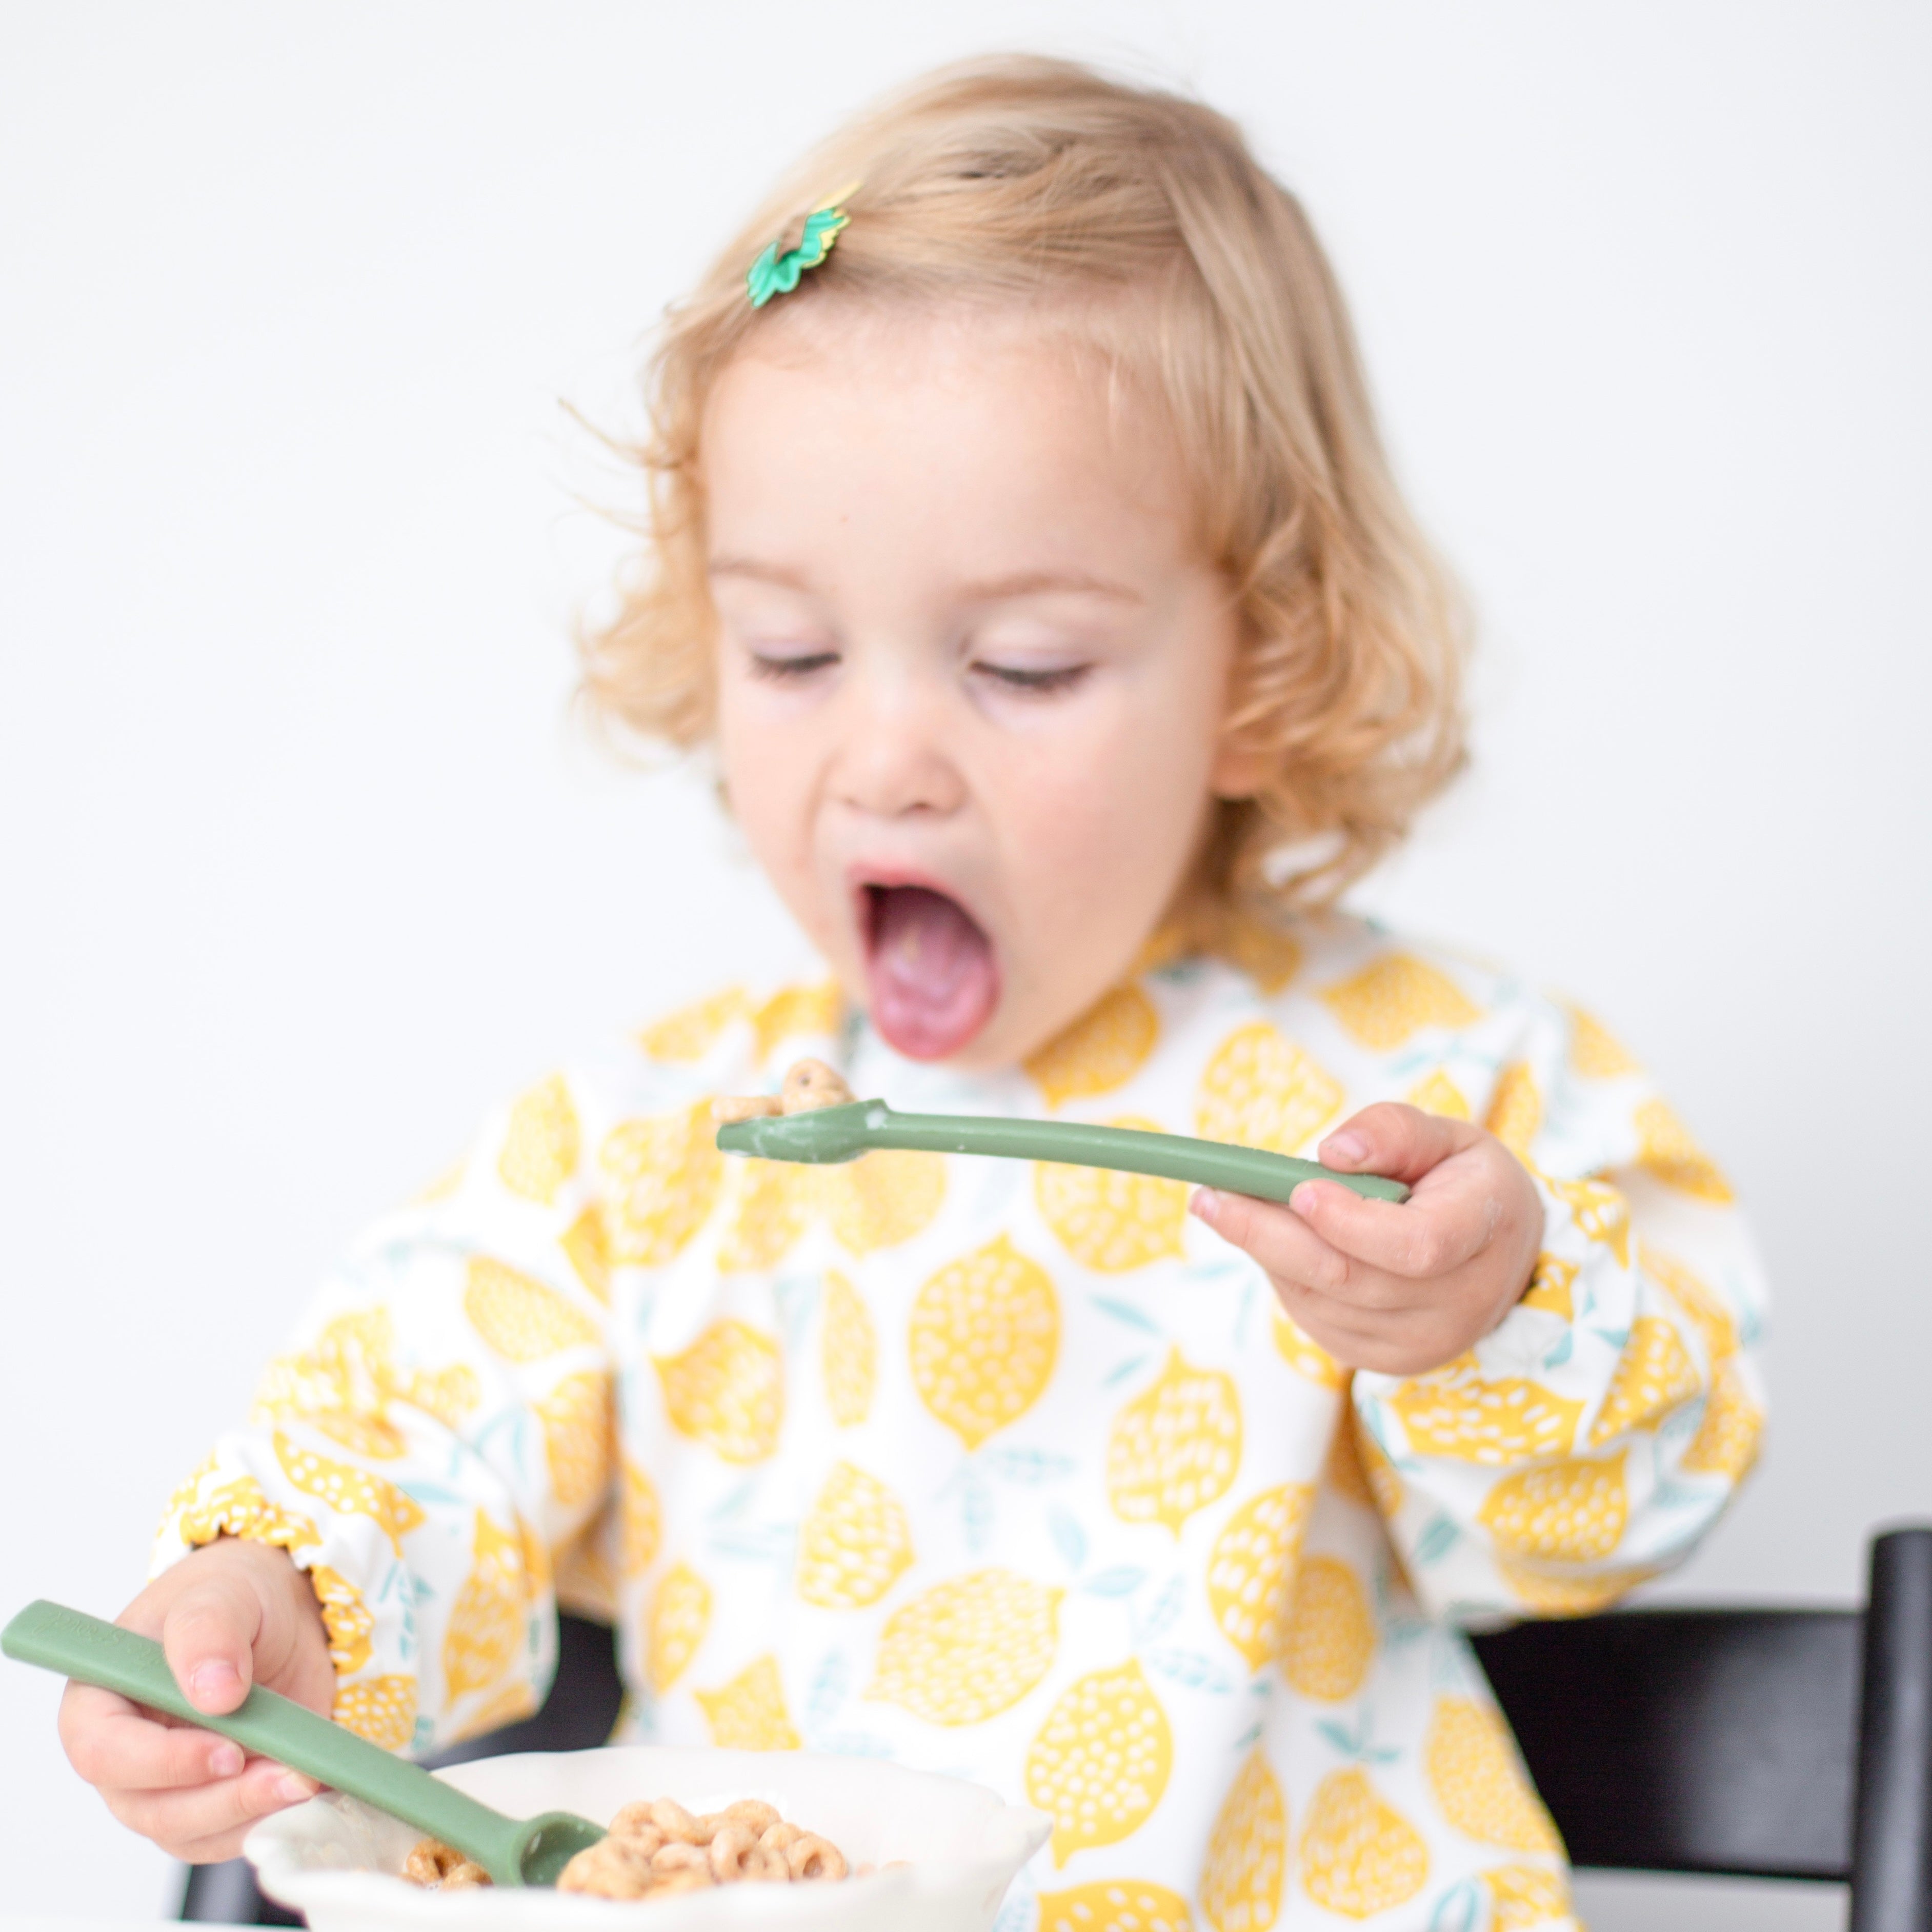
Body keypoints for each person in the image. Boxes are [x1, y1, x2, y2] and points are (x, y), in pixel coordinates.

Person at [57, 55, 1766, 1930]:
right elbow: (414, 1430)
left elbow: (1629, 1505)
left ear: (1264, 663)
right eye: (791, 649)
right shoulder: (648, 1151)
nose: (884, 761)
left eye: (1021, 666)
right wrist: (276, 1602)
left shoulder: (1433, 1087)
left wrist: (1487, 1311)